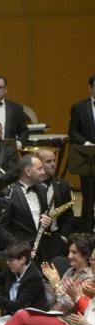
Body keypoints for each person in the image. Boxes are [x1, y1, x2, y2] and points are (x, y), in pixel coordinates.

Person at [0, 155, 57, 260]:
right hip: (18, 255)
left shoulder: (42, 190)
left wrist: (48, 222)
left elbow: (42, 220)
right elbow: (0, 228)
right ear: (28, 171)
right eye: (39, 169)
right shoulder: (8, 193)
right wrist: (18, 248)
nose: (43, 172)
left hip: (41, 252)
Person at [68, 75, 95, 231]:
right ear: (90, 88)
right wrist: (86, 144)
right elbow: (72, 131)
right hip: (88, 157)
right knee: (88, 196)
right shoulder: (78, 107)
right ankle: (87, 230)